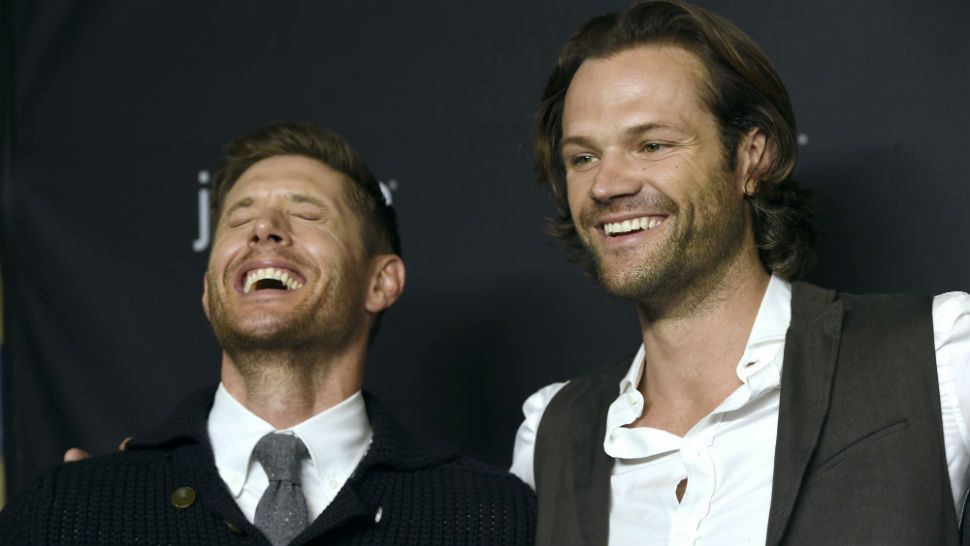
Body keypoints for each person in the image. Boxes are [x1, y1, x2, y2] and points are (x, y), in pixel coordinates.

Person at [508, 1, 970, 545]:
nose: (607, 185)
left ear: (752, 156)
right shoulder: (552, 434)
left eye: (652, 145)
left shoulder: (938, 354)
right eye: (583, 158)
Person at [0, 122, 536, 545]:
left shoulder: (495, 517)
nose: (263, 229)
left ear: (380, 282)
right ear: (210, 293)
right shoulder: (64, 513)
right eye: (237, 220)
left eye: (307, 214)